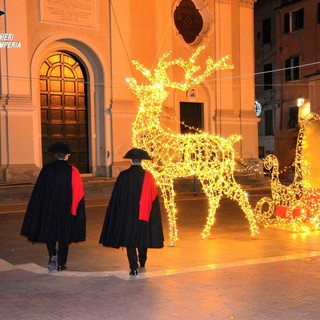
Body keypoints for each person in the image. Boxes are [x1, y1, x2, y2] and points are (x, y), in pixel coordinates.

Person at [21, 141, 86, 272]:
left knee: (50, 233)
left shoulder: (47, 169)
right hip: (66, 210)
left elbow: (39, 191)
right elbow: (78, 193)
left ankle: (53, 254)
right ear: (67, 156)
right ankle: (61, 264)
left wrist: (39, 208)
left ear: (56, 155)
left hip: (49, 209)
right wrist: (76, 211)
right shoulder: (73, 171)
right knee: (64, 236)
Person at [99, 147, 164, 278]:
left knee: (130, 241)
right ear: (142, 161)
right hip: (143, 214)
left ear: (131, 161)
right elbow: (154, 198)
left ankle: (133, 268)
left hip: (128, 215)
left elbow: (117, 197)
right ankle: (143, 261)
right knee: (142, 239)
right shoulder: (149, 176)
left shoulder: (123, 176)